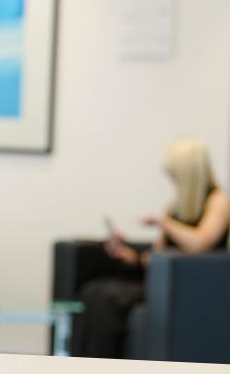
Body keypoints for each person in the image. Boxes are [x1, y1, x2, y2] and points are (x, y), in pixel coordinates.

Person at [72, 138, 230, 358]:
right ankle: (80, 360)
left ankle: (104, 363)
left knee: (109, 297)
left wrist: (164, 223)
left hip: (188, 288)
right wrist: (130, 256)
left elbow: (199, 243)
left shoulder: (218, 201)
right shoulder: (176, 206)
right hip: (161, 281)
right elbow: (155, 255)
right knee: (93, 291)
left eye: (174, 172)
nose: (171, 177)